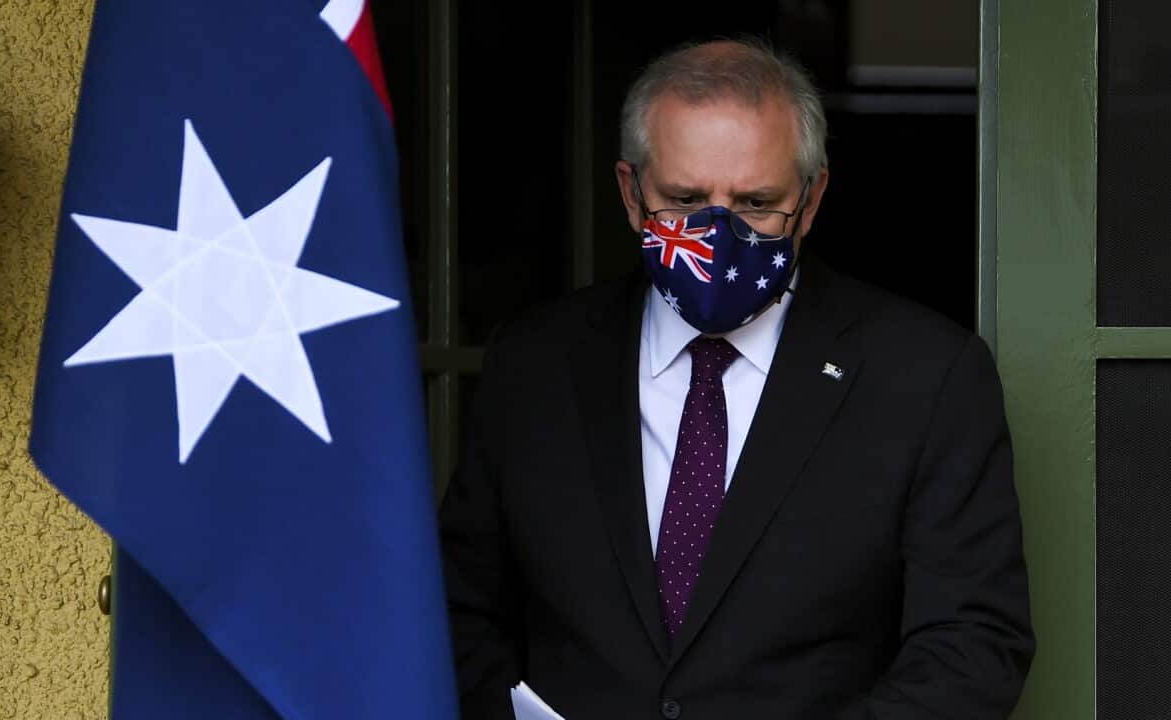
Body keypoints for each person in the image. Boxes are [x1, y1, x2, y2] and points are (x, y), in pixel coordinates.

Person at [439, 38, 1034, 720]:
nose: (718, 237)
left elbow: (974, 644)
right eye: (685, 200)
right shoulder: (535, 362)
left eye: (755, 204)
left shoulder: (926, 375)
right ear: (632, 193)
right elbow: (461, 608)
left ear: (810, 202)